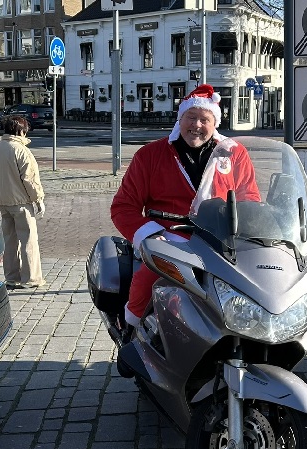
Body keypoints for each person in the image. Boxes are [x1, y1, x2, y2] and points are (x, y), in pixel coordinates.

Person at [111, 84, 259, 331]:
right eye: (191, 117)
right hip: (168, 238)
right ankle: (131, 328)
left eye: (205, 119)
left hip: (220, 241)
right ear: (181, 118)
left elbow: (249, 199)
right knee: (148, 278)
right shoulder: (149, 155)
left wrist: (254, 228)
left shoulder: (234, 154)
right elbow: (123, 207)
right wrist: (149, 234)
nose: (197, 125)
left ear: (215, 123)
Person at [0, 115, 47, 289]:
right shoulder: (21, 150)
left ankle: (12, 277)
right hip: (21, 202)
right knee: (28, 239)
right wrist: (38, 199)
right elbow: (29, 179)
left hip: (4, 202)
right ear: (21, 130)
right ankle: (31, 278)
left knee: (10, 241)